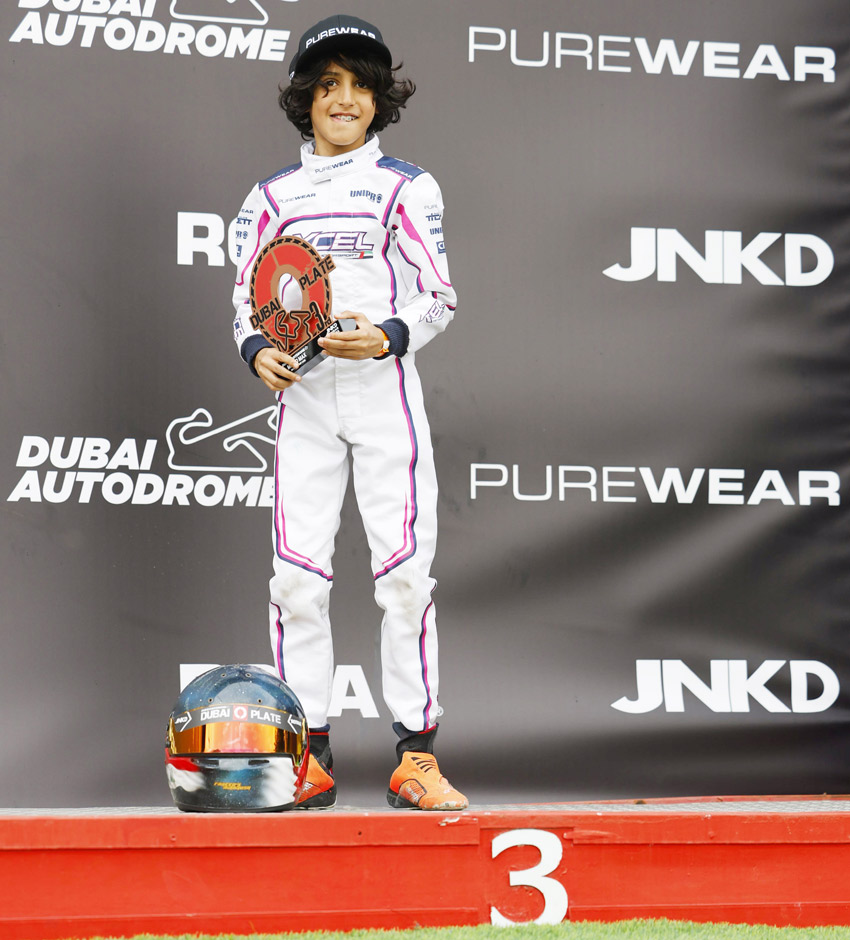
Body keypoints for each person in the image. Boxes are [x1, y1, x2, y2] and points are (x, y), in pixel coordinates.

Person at [230, 14, 467, 811]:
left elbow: (438, 297)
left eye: (362, 86)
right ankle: (308, 758)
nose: (345, 99)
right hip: (303, 399)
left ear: (380, 100)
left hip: (383, 393)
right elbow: (246, 299)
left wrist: (389, 335)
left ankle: (417, 757)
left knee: (404, 578)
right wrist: (255, 349)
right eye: (328, 84)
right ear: (304, 97)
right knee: (296, 581)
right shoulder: (271, 197)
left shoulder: (407, 185)